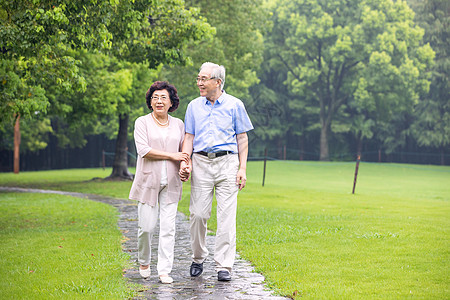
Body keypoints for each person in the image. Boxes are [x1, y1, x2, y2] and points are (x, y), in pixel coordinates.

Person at [179, 62, 254, 281]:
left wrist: (242, 168)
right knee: (198, 214)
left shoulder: (235, 105)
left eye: (204, 79)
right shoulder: (193, 106)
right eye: (198, 78)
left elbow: (242, 137)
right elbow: (189, 137)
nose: (199, 83)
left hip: (227, 163)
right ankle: (198, 256)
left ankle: (224, 265)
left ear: (217, 82)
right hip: (201, 162)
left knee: (227, 217)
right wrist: (186, 162)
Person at [129, 81, 189, 284]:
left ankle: (164, 270)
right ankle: (144, 261)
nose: (159, 101)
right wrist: (173, 156)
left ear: (171, 101)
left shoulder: (179, 124)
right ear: (150, 102)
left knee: (168, 228)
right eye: (155, 98)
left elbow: (184, 153)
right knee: (146, 227)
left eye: (163, 97)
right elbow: (144, 150)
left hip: (171, 182)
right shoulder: (142, 122)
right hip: (148, 181)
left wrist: (185, 167)